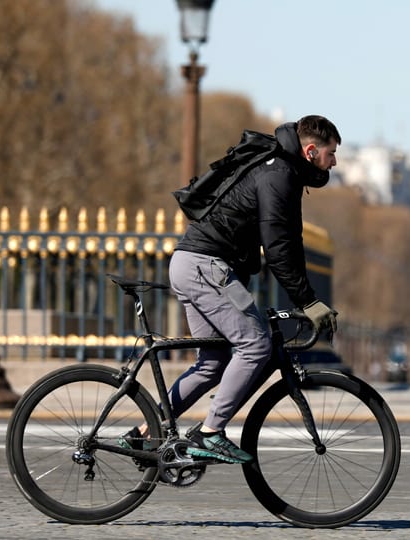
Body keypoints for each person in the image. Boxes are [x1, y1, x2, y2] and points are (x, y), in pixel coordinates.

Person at [120, 115, 340, 463]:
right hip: (207, 267)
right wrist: (308, 301)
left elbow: (291, 244)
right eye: (331, 154)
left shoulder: (284, 170)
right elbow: (278, 247)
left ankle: (145, 433)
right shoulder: (278, 174)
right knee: (255, 345)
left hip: (191, 263)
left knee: (214, 363)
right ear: (311, 151)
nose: (334, 162)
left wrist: (308, 298)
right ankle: (210, 433)